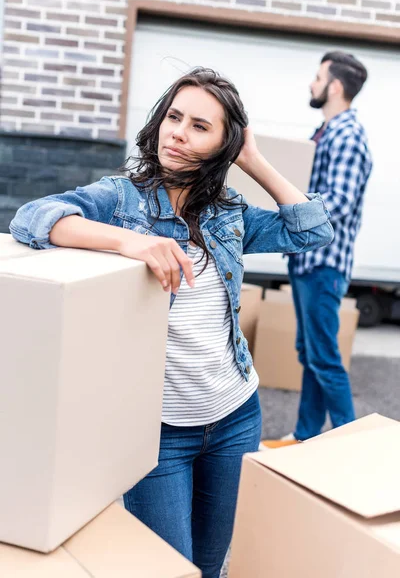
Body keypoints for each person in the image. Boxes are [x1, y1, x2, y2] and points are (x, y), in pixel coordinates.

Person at [10, 68, 333, 578]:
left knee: (209, 563)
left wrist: (253, 159)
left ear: (223, 144)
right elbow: (31, 217)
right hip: (157, 431)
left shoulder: (227, 212)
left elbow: (311, 232)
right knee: (166, 568)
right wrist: (131, 241)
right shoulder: (122, 200)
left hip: (236, 415)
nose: (177, 132)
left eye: (200, 126)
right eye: (173, 116)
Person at [263, 51, 372, 449]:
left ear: (336, 86)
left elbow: (339, 201)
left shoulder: (346, 136)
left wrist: (294, 209)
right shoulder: (323, 133)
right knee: (310, 351)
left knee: (324, 355)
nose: (312, 83)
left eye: (318, 77)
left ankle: (350, 444)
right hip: (307, 259)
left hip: (324, 263)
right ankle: (306, 434)